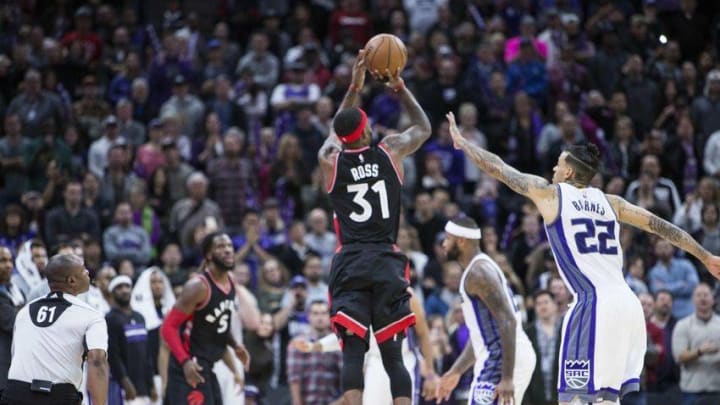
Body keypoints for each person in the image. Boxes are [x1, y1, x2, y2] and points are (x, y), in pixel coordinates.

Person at [445, 111, 720, 404]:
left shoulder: (551, 195)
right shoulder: (612, 202)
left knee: (573, 400)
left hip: (593, 303)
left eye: (558, 164)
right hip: (628, 305)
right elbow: (661, 226)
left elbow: (500, 169)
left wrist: (464, 143)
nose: (553, 168)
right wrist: (704, 256)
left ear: (569, 173)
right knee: (605, 400)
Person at [317, 47, 431, 405]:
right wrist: (398, 86)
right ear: (366, 132)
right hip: (386, 260)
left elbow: (337, 130)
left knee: (353, 355)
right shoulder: (390, 150)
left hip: (350, 261)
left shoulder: (330, 161)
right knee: (393, 357)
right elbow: (425, 127)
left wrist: (353, 87)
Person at [434, 217, 536, 405]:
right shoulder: (478, 269)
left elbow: (508, 321)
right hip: (502, 356)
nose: (444, 243)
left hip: (500, 359)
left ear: (461, 241)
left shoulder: (478, 273)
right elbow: (480, 334)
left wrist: (506, 377)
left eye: (448, 238)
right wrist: (456, 370)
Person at [0, 253, 109, 405]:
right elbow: (97, 361)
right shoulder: (91, 315)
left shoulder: (24, 311)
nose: (88, 272)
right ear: (72, 280)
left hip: (14, 393)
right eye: (83, 270)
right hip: (57, 395)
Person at [160, 232, 250, 405]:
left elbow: (217, 326)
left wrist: (235, 345)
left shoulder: (230, 282)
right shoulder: (198, 287)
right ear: (209, 255)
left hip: (206, 366)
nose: (228, 250)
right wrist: (185, 362)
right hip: (189, 366)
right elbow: (168, 328)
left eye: (229, 246)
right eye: (221, 247)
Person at [105, 275, 156, 405]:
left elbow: (147, 353)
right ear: (112, 293)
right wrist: (124, 382)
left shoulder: (140, 317)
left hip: (144, 386)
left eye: (127, 286)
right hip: (124, 387)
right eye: (119, 287)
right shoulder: (110, 319)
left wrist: (151, 384)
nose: (124, 290)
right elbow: (113, 354)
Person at [671, 283, 720, 405]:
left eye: (706, 295)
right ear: (693, 299)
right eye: (698, 295)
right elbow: (679, 357)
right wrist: (700, 351)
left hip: (717, 389)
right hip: (692, 391)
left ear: (713, 299)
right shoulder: (682, 325)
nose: (702, 298)